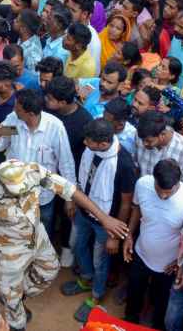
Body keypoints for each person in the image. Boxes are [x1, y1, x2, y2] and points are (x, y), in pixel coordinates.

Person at [0, 158, 128, 331]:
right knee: (13, 309)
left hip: (37, 237)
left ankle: (15, 297)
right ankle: (15, 314)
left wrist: (104, 218)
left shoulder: (33, 172)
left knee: (50, 269)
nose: (20, 194)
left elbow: (70, 190)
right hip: (9, 249)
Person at [61, 118, 136, 322]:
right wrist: (76, 201)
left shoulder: (125, 164)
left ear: (103, 144)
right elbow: (82, 178)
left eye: (89, 141)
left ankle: (96, 296)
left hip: (106, 223)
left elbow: (126, 204)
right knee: (77, 246)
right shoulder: (91, 150)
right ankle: (86, 279)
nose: (85, 143)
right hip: (84, 213)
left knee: (100, 261)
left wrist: (114, 236)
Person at [123, 159, 183, 329]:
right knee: (134, 293)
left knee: (161, 303)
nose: (164, 196)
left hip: (168, 266)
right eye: (160, 191)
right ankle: (131, 319)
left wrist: (180, 262)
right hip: (141, 254)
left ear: (178, 183)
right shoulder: (143, 184)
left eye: (169, 192)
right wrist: (129, 235)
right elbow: (136, 209)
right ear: (154, 180)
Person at [0, 88, 76, 234]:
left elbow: (65, 162)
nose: (14, 110)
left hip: (42, 196)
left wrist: (69, 196)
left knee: (42, 230)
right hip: (14, 192)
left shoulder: (55, 128)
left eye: (17, 109)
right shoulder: (13, 120)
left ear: (30, 114)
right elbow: (0, 146)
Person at [134, 110, 183, 190]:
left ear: (162, 134)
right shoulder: (141, 135)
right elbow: (136, 167)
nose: (144, 144)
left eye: (149, 141)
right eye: (142, 140)